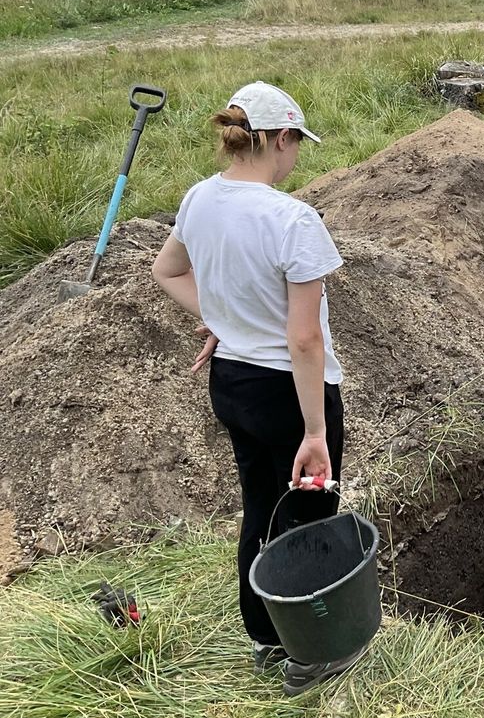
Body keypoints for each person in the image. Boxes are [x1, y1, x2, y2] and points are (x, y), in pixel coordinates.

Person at [152, 82, 361, 696]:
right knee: (308, 520)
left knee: (259, 511)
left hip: (233, 384)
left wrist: (222, 322)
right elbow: (303, 341)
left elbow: (166, 271)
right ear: (274, 138)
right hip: (290, 395)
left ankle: (264, 640)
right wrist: (317, 431)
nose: (297, 155)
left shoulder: (200, 199)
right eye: (295, 141)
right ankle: (311, 656)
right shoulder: (294, 220)